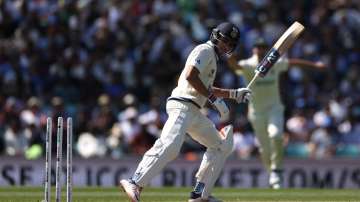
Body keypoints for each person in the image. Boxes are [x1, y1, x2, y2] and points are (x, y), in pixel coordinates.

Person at [119, 22, 251, 202]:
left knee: (221, 145)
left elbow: (206, 86)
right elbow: (190, 76)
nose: (226, 46)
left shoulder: (212, 56)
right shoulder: (204, 50)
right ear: (216, 36)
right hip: (182, 104)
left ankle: (200, 195)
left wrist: (234, 94)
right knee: (170, 145)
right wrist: (213, 99)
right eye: (224, 41)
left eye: (229, 44)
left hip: (195, 112)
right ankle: (135, 182)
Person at [227, 37, 326, 189]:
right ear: (254, 49)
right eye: (258, 47)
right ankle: (273, 173)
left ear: (267, 49)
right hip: (256, 112)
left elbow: (293, 62)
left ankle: (276, 170)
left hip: (275, 109)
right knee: (264, 148)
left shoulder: (274, 63)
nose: (260, 50)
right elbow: (235, 67)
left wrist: (314, 65)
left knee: (275, 135)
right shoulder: (248, 64)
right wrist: (230, 56)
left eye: (263, 47)